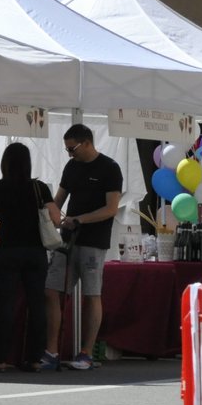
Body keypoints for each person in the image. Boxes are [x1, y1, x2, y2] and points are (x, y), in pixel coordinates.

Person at [41, 124, 122, 371]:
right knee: (52, 290)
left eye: (72, 148)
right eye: (66, 149)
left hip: (94, 241)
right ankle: (51, 350)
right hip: (67, 239)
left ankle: (86, 351)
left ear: (87, 142)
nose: (69, 153)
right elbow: (58, 199)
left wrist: (80, 219)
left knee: (91, 294)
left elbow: (111, 208)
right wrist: (49, 216)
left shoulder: (110, 168)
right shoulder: (72, 166)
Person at [0, 143, 61, 372]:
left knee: (6, 306)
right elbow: (56, 218)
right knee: (36, 305)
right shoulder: (39, 187)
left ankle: (0, 359)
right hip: (35, 251)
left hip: (7, 250)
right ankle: (34, 359)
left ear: (5, 163)